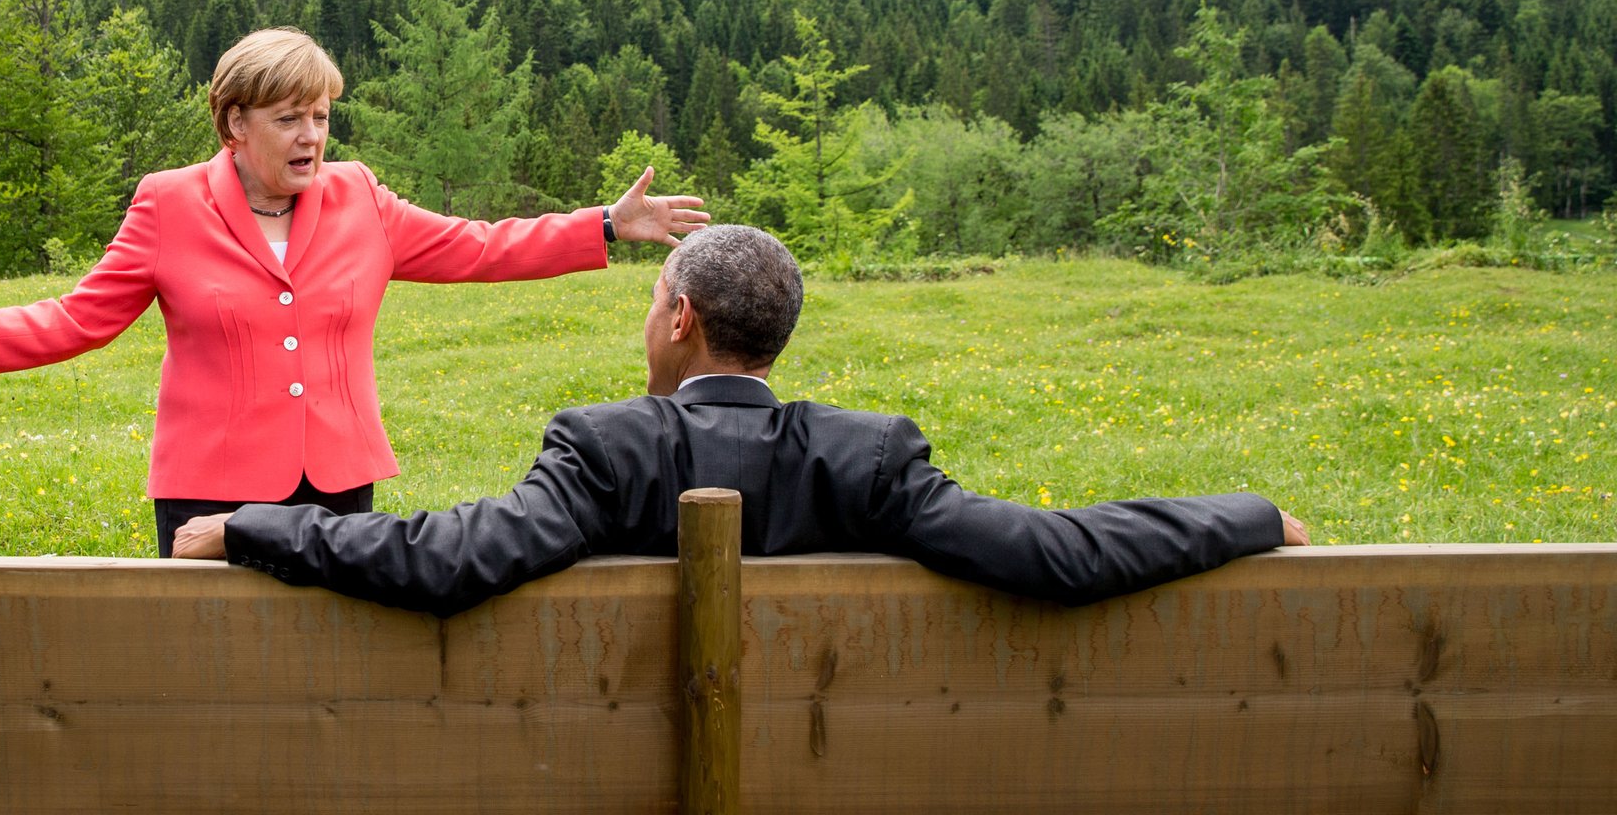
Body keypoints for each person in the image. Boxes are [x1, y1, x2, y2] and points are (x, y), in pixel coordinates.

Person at [0, 27, 707, 555]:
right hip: (208, 486)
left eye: (322, 116)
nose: (312, 136)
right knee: (211, 679)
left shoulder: (361, 196)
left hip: (336, 482)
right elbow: (78, 318)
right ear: (234, 123)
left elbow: (477, 247)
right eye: (290, 118)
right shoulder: (167, 204)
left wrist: (601, 225)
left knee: (328, 670)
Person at [173, 225, 1309, 616]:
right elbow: (1056, 553)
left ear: (676, 318)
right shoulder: (866, 458)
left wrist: (256, 527)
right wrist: (1246, 514)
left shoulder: (603, 448)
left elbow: (451, 559)